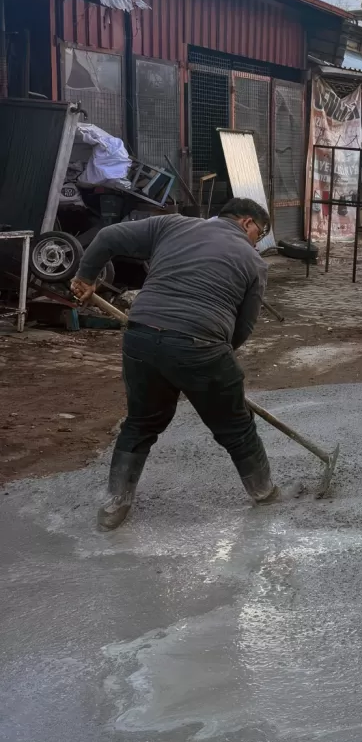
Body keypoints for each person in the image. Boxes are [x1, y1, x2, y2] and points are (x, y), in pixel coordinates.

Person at [70, 198, 276, 530]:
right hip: (202, 344)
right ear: (246, 223)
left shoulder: (172, 225)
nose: (258, 242)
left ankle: (114, 505)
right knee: (236, 427)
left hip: (141, 337)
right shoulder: (253, 262)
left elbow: (107, 237)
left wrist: (85, 276)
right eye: (260, 233)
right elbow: (243, 327)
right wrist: (209, 360)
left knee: (140, 424)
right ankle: (264, 492)